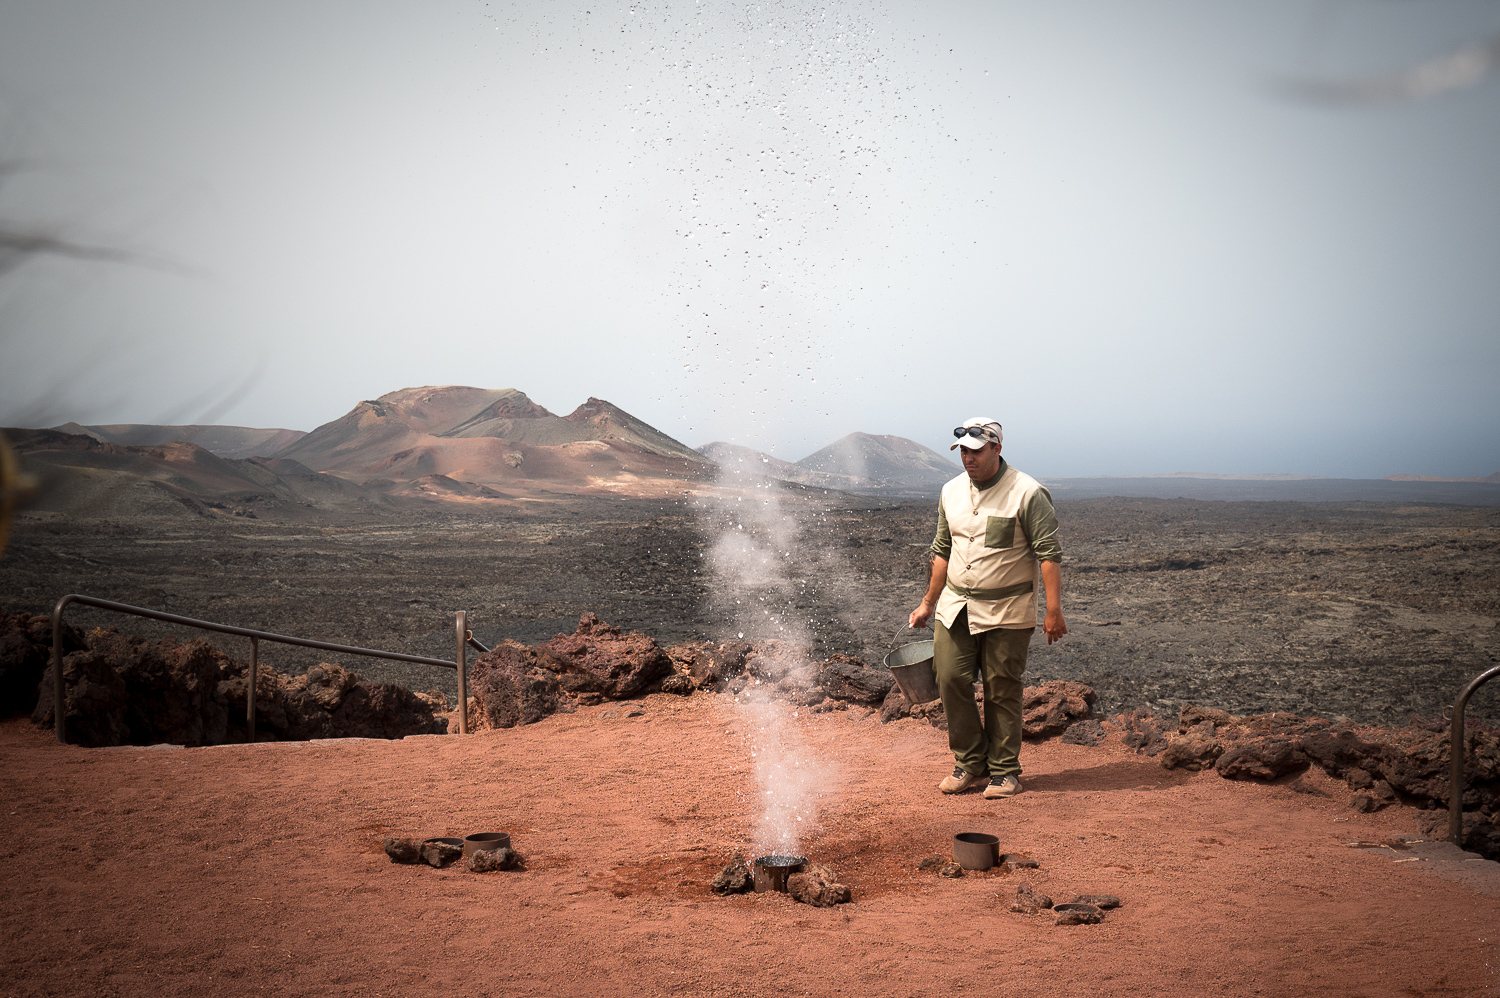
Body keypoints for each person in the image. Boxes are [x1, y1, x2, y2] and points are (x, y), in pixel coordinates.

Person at [907, 417, 1066, 799]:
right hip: (955, 606)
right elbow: (942, 550)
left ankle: (1005, 771)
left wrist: (1053, 610)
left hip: (1007, 611)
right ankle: (969, 761)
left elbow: (1049, 554)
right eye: (963, 451)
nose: (968, 458)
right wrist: (928, 602)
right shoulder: (950, 492)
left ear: (996, 448)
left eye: (976, 451)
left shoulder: (1028, 493)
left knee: (1002, 688)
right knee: (949, 678)